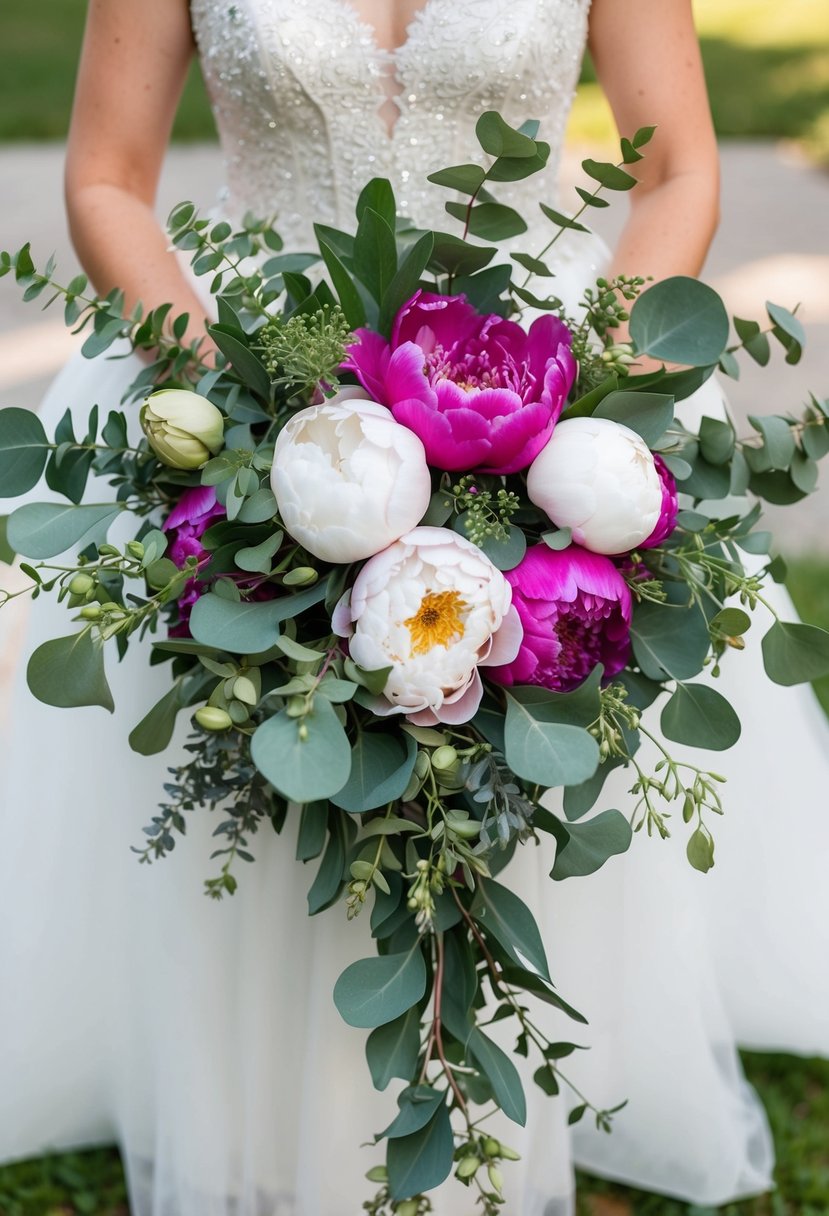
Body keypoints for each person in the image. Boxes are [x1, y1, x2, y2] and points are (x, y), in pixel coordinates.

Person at [1, 2, 827, 1214]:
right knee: (273, 718)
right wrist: (239, 405)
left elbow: (678, 168)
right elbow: (108, 177)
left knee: (529, 711)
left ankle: (512, 1069)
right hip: (248, 363)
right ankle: (260, 1093)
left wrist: (585, 399)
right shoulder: (235, 386)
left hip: (531, 373)